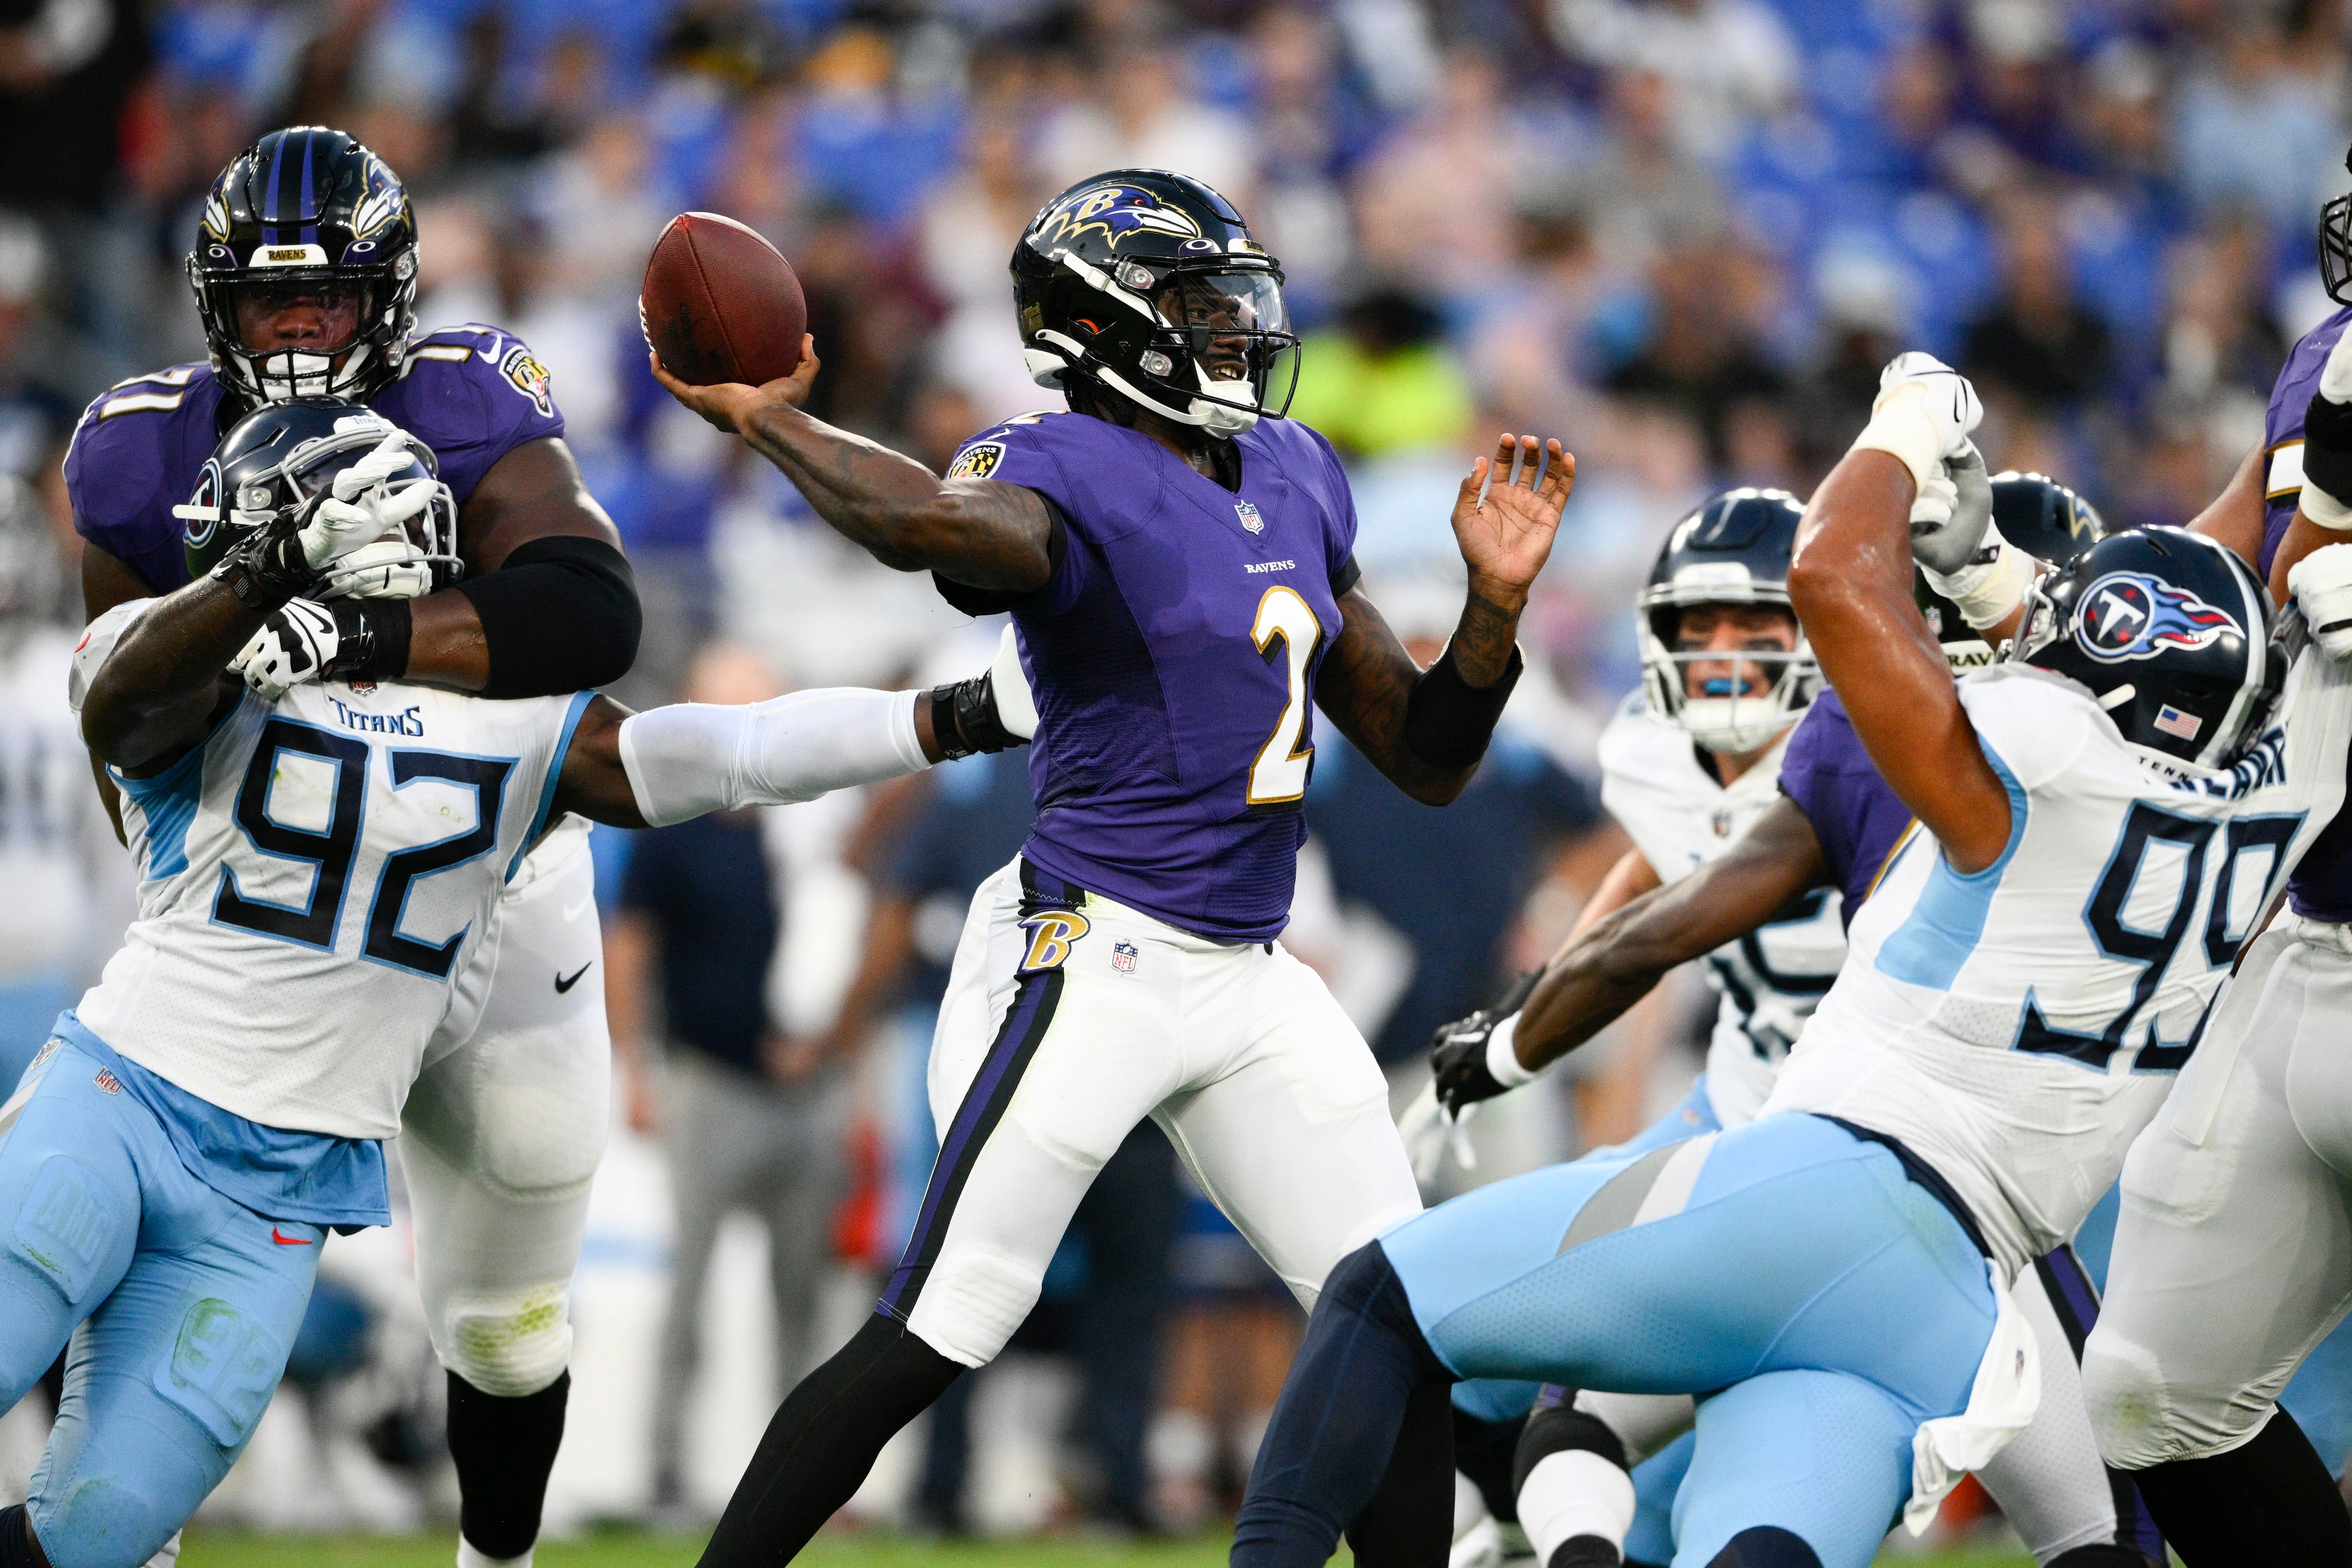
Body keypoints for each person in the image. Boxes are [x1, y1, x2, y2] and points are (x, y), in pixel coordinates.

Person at [1226, 353, 2347, 1568]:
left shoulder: (2034, 752)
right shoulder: (2292, 789)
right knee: (1770, 1545)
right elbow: (2215, 669)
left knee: (1381, 1295)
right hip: (1963, 1286)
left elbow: (1829, 568)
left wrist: (1907, 423)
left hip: (1838, 1188)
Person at [651, 168, 1572, 1567]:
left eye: (1233, 295)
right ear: (1103, 327)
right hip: (1103, 946)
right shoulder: (1060, 465)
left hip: (1252, 971)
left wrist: (1494, 610)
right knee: (942, 1322)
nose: (1235, 325)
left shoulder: (1295, 467)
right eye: (1199, 302)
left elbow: (1431, 752)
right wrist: (774, 422)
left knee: (1405, 1315)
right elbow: (936, 533)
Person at [0, 395, 1023, 1568]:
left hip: (276, 1200)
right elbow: (115, 698)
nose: (223, 549)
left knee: (98, 1538)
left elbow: (728, 752)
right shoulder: (207, 670)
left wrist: (952, 714)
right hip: (120, 1100)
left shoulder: (517, 728)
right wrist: (255, 589)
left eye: (253, 528)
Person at [62, 126, 646, 1568]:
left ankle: (493, 1560)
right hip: (274, 899)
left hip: (497, 882)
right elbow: (119, 711)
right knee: (154, 1233)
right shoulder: (138, 450)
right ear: (219, 303)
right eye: (272, 298)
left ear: (389, 298)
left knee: (505, 1325)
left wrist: (363, 632)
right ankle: (115, 1530)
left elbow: (588, 611)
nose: (302, 321)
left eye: (329, 294)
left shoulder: (470, 400)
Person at [1424, 481, 2167, 1568]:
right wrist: (1531, 1008)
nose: (1723, 654)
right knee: (1541, 1377)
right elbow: (1657, 891)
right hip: (1773, 1114)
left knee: (2102, 1458)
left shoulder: (1917, 745)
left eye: (1755, 625)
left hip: (1965, 1154)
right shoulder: (1680, 752)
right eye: (1698, 627)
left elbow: (1663, 920)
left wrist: (1510, 1042)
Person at [2080, 151, 2352, 1561]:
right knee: (2149, 1395)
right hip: (2306, 943)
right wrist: (2056, 607)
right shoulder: (2332, 362)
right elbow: (2226, 594)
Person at [605, 643, 855, 1516]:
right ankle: (665, 1475)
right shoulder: (673, 829)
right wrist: (635, 1068)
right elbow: (630, 950)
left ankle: (799, 1488)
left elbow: (856, 933)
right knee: (690, 1293)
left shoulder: (814, 825)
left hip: (807, 1089)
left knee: (806, 1300)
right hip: (711, 1081)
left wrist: (831, 1044)